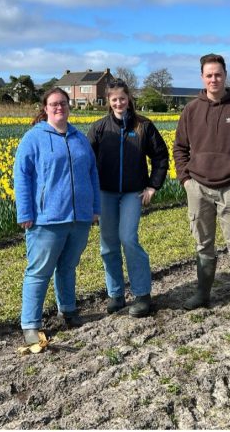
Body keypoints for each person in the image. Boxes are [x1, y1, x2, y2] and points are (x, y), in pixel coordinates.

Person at [173, 53, 230, 318]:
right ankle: (202, 294)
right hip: (198, 188)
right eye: (209, 75)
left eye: (218, 74)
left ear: (225, 75)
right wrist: (186, 180)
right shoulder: (191, 110)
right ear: (202, 77)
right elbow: (180, 148)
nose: (214, 79)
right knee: (204, 245)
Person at [14, 87, 101, 345]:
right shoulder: (33, 138)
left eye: (63, 103)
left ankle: (68, 309)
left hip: (79, 218)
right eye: (53, 104)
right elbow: (22, 175)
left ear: (69, 105)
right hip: (46, 219)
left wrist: (94, 208)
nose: (59, 107)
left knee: (68, 267)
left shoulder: (79, 138)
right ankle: (30, 324)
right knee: (39, 271)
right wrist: (26, 212)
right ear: (45, 108)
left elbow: (92, 173)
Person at [87, 79, 169, 318]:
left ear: (129, 99)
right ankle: (115, 294)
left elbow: (160, 157)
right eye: (114, 99)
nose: (119, 103)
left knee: (128, 239)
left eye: (122, 98)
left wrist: (153, 186)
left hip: (133, 193)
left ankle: (142, 294)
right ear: (108, 101)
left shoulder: (144, 126)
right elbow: (86, 162)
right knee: (108, 245)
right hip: (106, 193)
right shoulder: (99, 128)